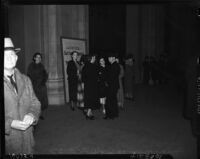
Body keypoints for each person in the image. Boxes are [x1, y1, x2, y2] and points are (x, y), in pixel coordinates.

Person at [4, 37, 41, 154]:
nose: (9, 58)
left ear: (16, 57)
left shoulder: (25, 80)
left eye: (11, 54)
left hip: (27, 140)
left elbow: (35, 102)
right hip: (8, 143)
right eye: (4, 55)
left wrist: (32, 114)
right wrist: (9, 123)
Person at [27, 52, 48, 120]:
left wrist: (43, 81)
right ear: (34, 58)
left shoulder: (41, 65)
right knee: (36, 101)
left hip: (41, 86)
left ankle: (41, 114)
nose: (39, 58)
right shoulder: (31, 65)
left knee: (42, 100)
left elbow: (45, 74)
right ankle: (35, 114)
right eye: (37, 57)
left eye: (40, 57)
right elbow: (29, 76)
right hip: (34, 86)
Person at [82, 54, 99, 120]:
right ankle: (88, 114)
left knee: (88, 99)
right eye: (93, 57)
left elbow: (83, 78)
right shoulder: (94, 66)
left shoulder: (85, 66)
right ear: (91, 59)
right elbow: (97, 77)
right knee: (92, 99)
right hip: (93, 86)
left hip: (87, 86)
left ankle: (90, 112)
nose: (94, 59)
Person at [104, 53, 120, 120]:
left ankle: (110, 115)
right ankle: (114, 114)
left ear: (113, 58)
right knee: (113, 100)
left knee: (109, 100)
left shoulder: (114, 65)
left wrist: (106, 81)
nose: (108, 59)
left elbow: (111, 77)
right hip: (114, 86)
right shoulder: (115, 65)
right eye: (108, 58)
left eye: (109, 58)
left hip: (111, 86)